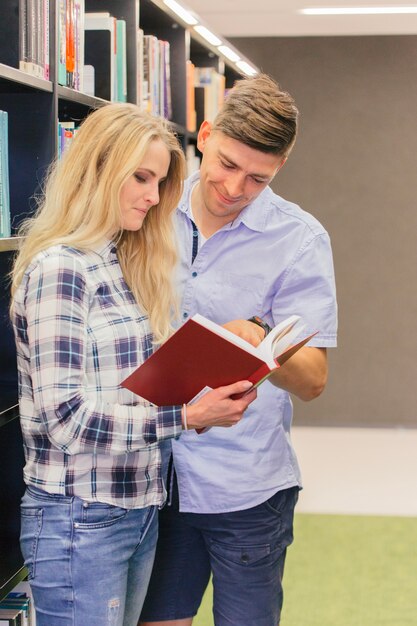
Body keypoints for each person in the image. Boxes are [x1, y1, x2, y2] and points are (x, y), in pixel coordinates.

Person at [9, 102, 257, 626]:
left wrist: (209, 363)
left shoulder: (118, 260)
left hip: (138, 507)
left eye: (160, 181)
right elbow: (66, 418)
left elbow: (131, 386)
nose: (153, 196)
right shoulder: (61, 269)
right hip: (80, 517)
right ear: (96, 171)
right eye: (140, 178)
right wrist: (188, 418)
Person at [139, 74, 338, 626]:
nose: (233, 188)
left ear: (279, 171)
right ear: (204, 135)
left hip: (245, 486)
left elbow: (314, 379)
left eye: (257, 178)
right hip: (152, 473)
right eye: (226, 164)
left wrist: (260, 342)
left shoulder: (299, 239)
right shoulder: (147, 206)